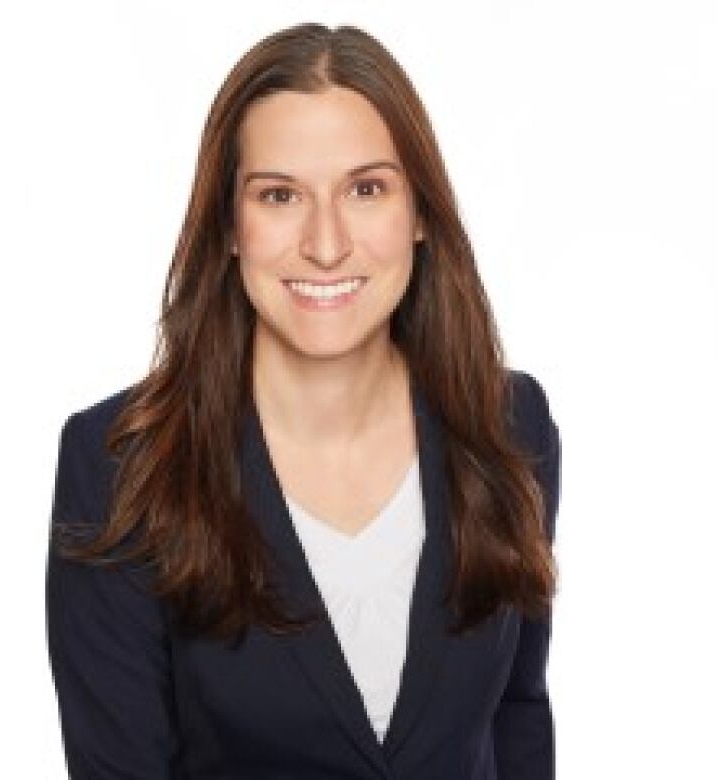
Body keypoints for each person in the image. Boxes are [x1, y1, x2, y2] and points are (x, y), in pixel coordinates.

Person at [45, 22, 561, 779]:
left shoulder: (510, 427)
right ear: (229, 224)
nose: (326, 243)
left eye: (366, 189)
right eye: (280, 195)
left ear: (419, 214)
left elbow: (518, 718)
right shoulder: (118, 467)